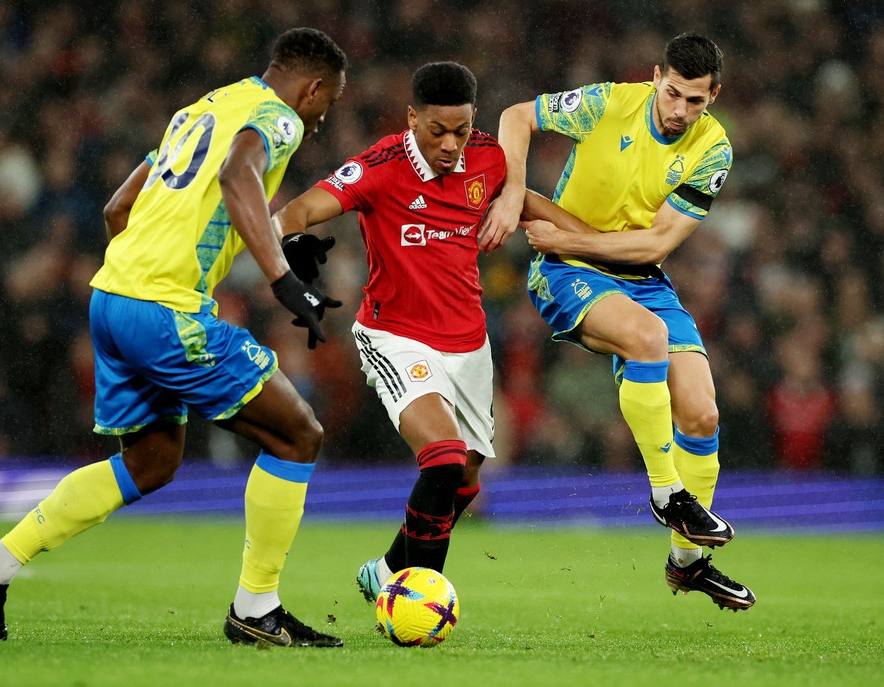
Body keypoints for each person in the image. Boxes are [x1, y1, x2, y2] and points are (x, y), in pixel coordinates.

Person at [0, 27, 349, 646]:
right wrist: (283, 281)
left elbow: (118, 208)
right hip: (163, 309)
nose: (321, 121)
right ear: (313, 88)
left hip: (112, 298)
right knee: (299, 434)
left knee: (151, 461)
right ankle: (256, 608)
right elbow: (238, 175)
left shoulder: (201, 110)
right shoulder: (280, 118)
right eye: (328, 104)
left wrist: (141, 281)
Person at [480, 31, 755, 611]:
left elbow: (655, 245)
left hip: (637, 273)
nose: (680, 111)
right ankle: (666, 492)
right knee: (649, 338)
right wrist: (511, 192)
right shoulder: (606, 103)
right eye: (672, 94)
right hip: (565, 273)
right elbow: (515, 116)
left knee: (702, 413)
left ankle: (687, 563)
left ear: (714, 96)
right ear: (655, 77)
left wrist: (568, 236)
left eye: (695, 101)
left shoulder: (713, 148)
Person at [273, 62, 512, 604]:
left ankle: (385, 570)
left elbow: (518, 197)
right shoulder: (379, 167)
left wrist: (531, 207)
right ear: (412, 119)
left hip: (468, 341)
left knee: (464, 480)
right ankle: (414, 601)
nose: (450, 144)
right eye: (437, 131)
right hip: (396, 335)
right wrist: (293, 251)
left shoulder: (488, 156)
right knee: (444, 459)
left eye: (461, 130)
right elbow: (298, 210)